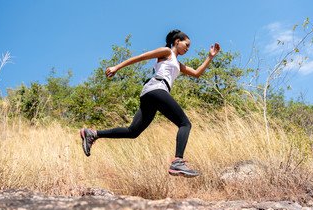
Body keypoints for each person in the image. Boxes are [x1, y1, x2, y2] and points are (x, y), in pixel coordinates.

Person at [80, 29, 220, 177]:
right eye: (186, 44)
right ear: (177, 41)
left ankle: (93, 134)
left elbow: (197, 73)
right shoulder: (166, 52)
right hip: (157, 89)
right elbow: (141, 57)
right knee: (185, 124)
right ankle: (178, 161)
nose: (188, 48)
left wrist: (210, 57)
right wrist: (117, 67)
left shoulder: (177, 64)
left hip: (150, 93)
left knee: (133, 132)